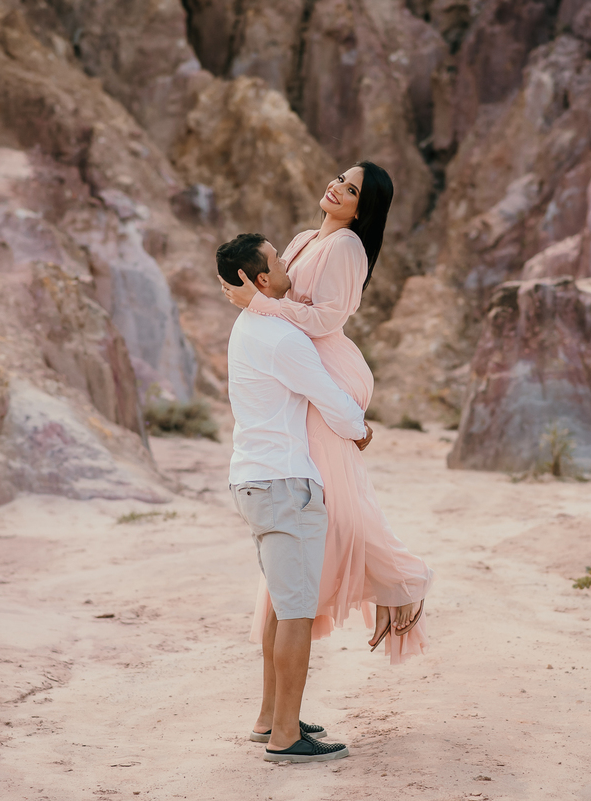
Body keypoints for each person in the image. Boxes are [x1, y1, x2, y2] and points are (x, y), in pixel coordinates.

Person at [219, 162, 434, 665]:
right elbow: (273, 292)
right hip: (304, 365)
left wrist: (260, 306)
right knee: (325, 497)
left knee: (331, 496)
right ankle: (360, 584)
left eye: (352, 189)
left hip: (326, 365)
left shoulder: (347, 247)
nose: (338, 187)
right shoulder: (300, 238)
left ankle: (400, 581)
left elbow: (326, 318)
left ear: (364, 208)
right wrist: (253, 299)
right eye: (341, 177)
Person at [219, 232, 373, 763]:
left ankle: (271, 717)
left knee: (281, 609)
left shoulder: (246, 328)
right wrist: (359, 429)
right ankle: (287, 736)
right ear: (262, 280)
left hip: (255, 480)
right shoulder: (282, 339)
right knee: (297, 614)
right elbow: (328, 397)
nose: (288, 265)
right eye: (279, 260)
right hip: (284, 485)